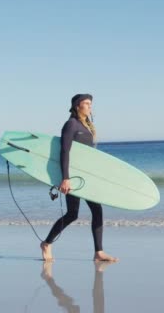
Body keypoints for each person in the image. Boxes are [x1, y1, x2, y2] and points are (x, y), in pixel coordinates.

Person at [40, 94, 118, 262]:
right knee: (72, 214)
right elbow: (64, 152)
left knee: (97, 210)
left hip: (86, 177)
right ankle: (46, 243)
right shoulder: (71, 125)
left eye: (91, 104)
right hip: (73, 177)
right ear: (77, 106)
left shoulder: (87, 126)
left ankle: (99, 252)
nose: (90, 107)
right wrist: (65, 178)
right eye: (87, 104)